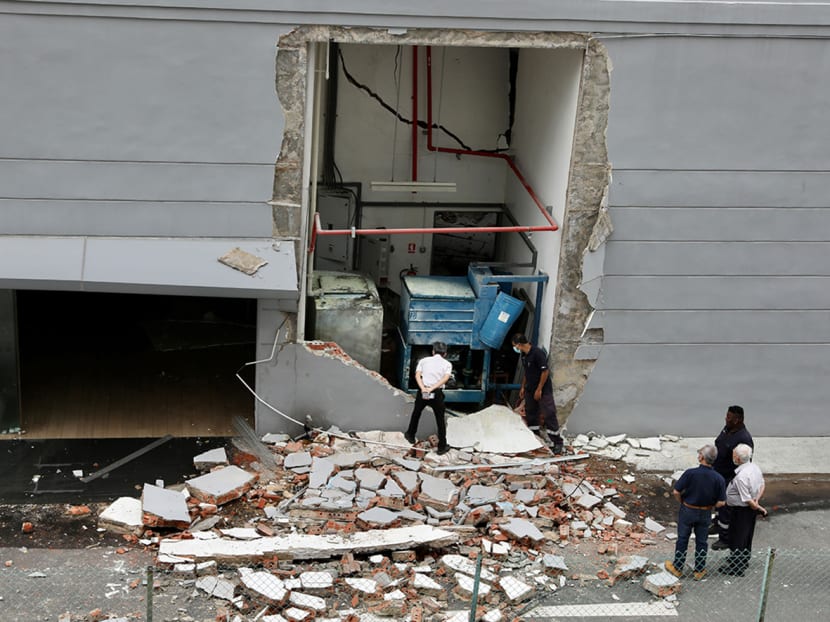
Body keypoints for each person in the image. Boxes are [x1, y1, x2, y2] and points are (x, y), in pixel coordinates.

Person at [665, 444, 727, 580]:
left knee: (682, 539)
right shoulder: (718, 478)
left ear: (702, 457)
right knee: (702, 541)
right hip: (705, 512)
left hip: (688, 509)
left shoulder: (690, 473)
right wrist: (710, 505)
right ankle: (699, 570)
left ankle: (678, 568)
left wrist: (682, 501)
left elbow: (676, 491)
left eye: (699, 453)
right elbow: (722, 502)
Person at [719, 443, 767, 576]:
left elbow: (746, 499)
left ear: (738, 459)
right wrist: (757, 500)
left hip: (741, 510)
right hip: (747, 509)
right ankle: (743, 559)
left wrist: (757, 506)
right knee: (746, 535)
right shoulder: (754, 468)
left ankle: (737, 566)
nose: (733, 457)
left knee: (737, 537)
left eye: (734, 455)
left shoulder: (741, 477)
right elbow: (762, 485)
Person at [511, 333, 564, 454]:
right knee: (531, 413)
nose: (515, 348)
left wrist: (539, 389)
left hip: (542, 389)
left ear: (519, 344)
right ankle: (535, 437)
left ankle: (557, 442)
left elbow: (545, 372)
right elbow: (527, 372)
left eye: (515, 346)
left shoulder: (537, 353)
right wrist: (523, 387)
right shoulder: (524, 355)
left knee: (549, 413)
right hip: (530, 388)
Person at [711, 405, 754, 550]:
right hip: (719, 474)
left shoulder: (744, 439)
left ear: (737, 420)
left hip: (730, 479)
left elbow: (745, 462)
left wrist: (734, 483)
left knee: (725, 509)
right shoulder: (727, 429)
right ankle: (717, 524)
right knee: (718, 504)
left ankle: (725, 538)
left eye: (729, 417)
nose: (726, 419)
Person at [404, 341, 453, 455]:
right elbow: (445, 378)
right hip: (436, 393)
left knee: (416, 413)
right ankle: (441, 447)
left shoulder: (423, 361)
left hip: (423, 391)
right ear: (445, 354)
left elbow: (417, 375)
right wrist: (432, 389)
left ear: (433, 351)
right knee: (440, 419)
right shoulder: (447, 364)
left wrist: (423, 388)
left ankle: (410, 435)